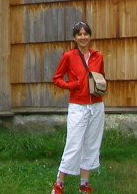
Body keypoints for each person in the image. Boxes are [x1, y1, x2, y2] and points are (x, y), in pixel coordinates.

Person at [50, 21, 105, 194]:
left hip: (96, 105)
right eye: (79, 34)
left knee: (91, 143)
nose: (83, 37)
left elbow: (100, 76)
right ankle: (59, 183)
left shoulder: (98, 56)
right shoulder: (69, 56)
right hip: (78, 106)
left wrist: (101, 84)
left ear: (90, 36)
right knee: (74, 143)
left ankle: (84, 183)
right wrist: (72, 85)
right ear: (75, 37)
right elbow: (57, 78)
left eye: (85, 34)